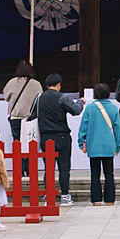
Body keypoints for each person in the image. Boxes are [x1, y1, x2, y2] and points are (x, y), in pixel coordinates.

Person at [34, 73, 83, 205]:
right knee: (64, 166)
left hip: (45, 136)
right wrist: (80, 102)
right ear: (59, 84)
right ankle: (65, 195)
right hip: (61, 136)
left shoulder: (39, 98)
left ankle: (48, 194)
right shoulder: (62, 97)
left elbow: (33, 115)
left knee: (48, 167)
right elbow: (76, 110)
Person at [78, 83, 120, 205]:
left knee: (95, 173)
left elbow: (83, 128)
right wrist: (118, 146)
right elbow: (118, 129)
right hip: (109, 145)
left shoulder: (90, 108)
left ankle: (96, 199)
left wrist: (82, 143)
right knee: (109, 173)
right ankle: (110, 199)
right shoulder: (113, 108)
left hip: (94, 145)